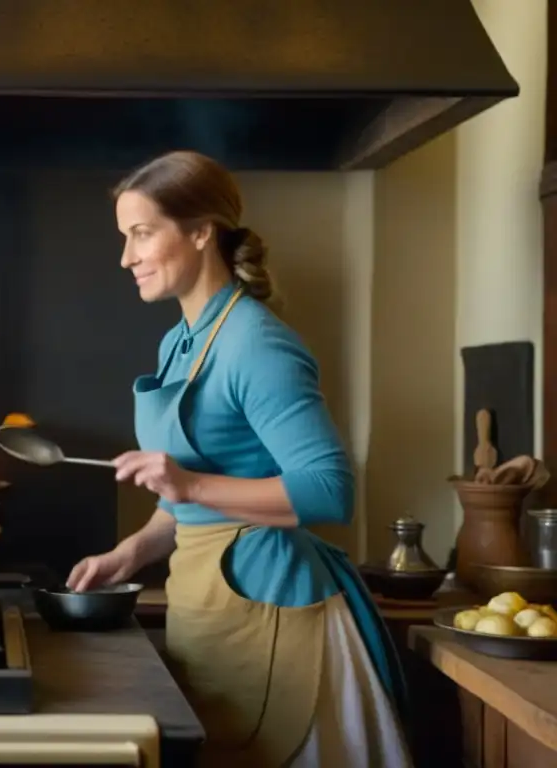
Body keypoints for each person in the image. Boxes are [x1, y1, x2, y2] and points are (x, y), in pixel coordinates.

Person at [67, 151, 412, 767]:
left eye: (141, 234)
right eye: (125, 238)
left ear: (201, 232)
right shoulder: (181, 341)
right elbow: (191, 496)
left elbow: (330, 491)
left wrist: (191, 486)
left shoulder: (257, 343)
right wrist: (130, 553)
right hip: (209, 604)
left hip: (276, 610)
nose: (126, 257)